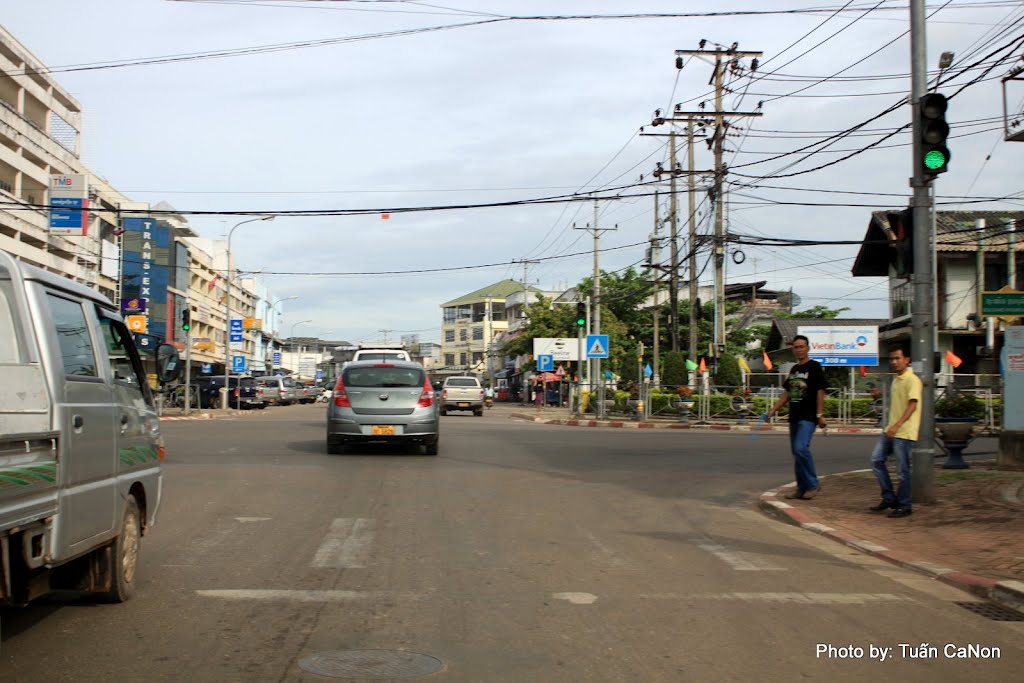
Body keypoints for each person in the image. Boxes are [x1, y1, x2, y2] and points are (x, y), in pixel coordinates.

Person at [766, 335, 827, 500]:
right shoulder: (794, 370)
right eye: (796, 347)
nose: (799, 350)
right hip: (794, 415)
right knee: (797, 453)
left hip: (808, 416)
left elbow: (820, 391)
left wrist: (820, 415)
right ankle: (801, 487)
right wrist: (773, 410)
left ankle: (813, 484)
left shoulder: (814, 367)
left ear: (808, 348)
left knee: (801, 448)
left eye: (801, 346)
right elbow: (787, 393)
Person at [869, 346, 921, 518]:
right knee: (876, 460)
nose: (894, 362)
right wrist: (889, 426)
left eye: (898, 358)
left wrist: (897, 425)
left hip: (904, 432)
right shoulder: (896, 380)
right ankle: (889, 498)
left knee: (902, 470)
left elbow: (912, 405)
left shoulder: (912, 380)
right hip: (890, 430)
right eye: (892, 359)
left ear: (907, 360)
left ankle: (905, 505)